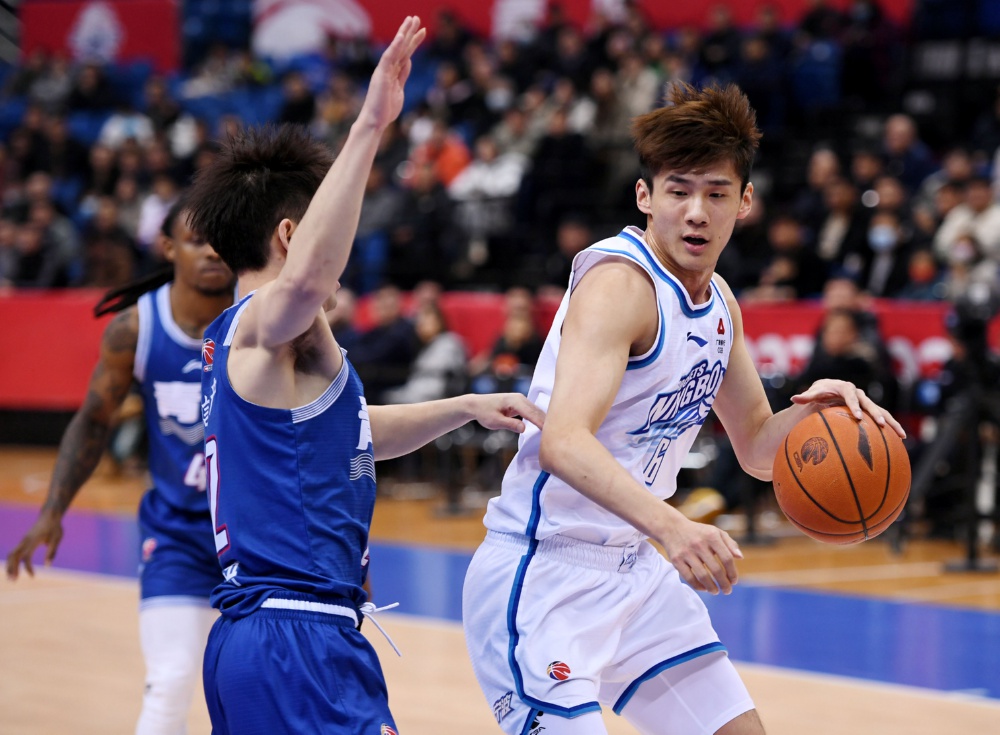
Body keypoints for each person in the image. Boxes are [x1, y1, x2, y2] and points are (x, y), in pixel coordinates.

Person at [461, 82, 905, 735]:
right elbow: (564, 441)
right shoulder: (621, 285)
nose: (696, 212)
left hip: (635, 571)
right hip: (544, 572)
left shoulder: (719, 303)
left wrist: (822, 412)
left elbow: (757, 446)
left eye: (716, 194)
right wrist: (674, 528)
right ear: (645, 196)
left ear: (744, 202)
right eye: (679, 191)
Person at [184, 18, 543, 734]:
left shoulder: (243, 348)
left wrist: (464, 406)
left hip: (266, 640)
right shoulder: (260, 324)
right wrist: (371, 124)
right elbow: (306, 280)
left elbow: (347, 435)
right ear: (291, 235)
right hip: (299, 645)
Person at [6, 199, 236, 734]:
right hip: (178, 534)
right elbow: (93, 422)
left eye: (221, 240)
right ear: (168, 248)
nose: (212, 251)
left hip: (255, 536)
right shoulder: (137, 327)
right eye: (197, 240)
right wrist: (52, 510)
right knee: (171, 681)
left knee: (254, 691)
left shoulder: (260, 318)